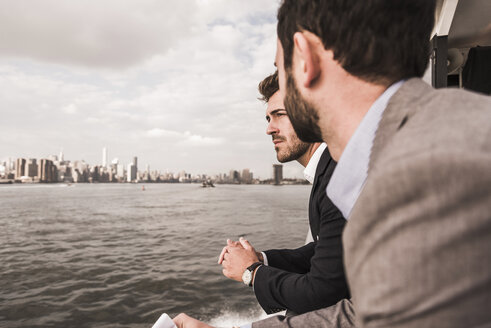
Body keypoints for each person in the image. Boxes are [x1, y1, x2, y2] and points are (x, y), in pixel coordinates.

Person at [173, 0, 491, 327]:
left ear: (304, 58)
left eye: (280, 67)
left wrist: (252, 273)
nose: (269, 126)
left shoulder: (424, 171)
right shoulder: (422, 141)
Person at [217, 71, 349, 315]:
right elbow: (324, 251)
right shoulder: (329, 169)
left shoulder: (338, 174)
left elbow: (321, 293)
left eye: (279, 115)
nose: (269, 129)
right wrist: (260, 259)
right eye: (268, 118)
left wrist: (251, 272)